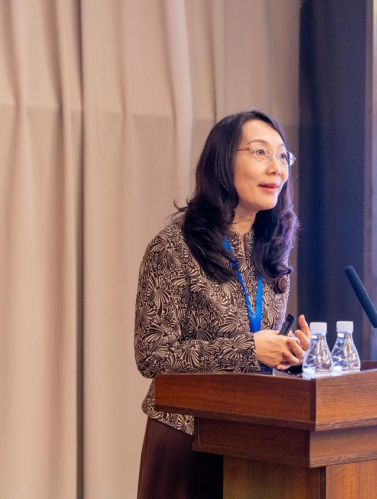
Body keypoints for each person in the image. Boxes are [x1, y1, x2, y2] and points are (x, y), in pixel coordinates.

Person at [134, 110, 311, 498]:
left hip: (255, 435)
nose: (277, 168)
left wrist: (288, 355)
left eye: (283, 156)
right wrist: (250, 349)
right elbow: (152, 355)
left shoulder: (271, 249)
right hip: (187, 437)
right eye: (261, 152)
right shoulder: (173, 247)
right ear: (222, 161)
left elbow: (260, 345)